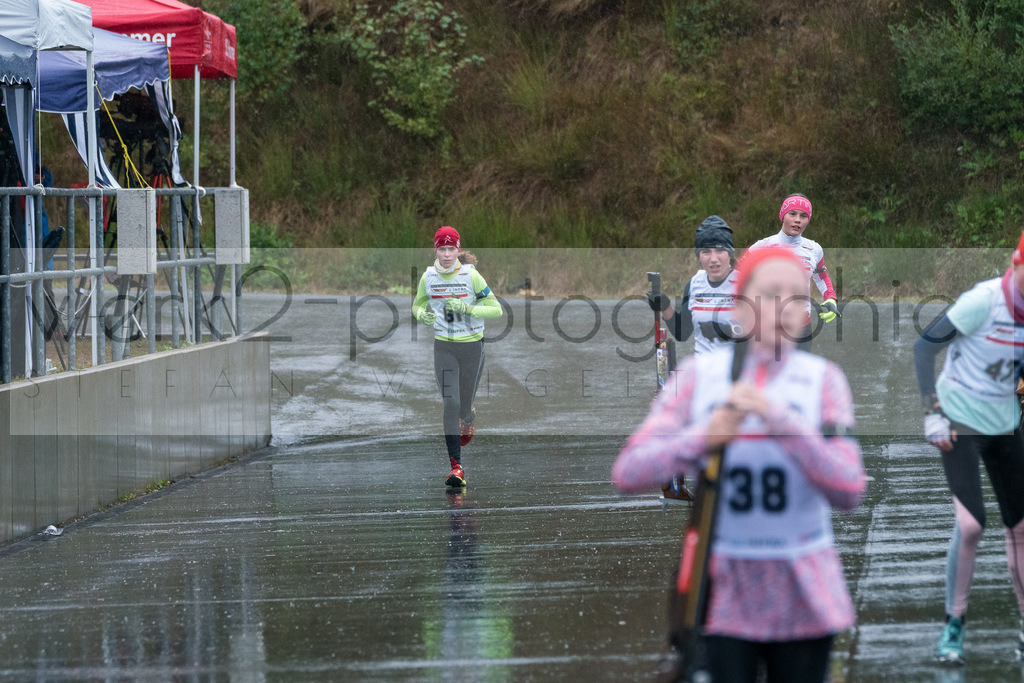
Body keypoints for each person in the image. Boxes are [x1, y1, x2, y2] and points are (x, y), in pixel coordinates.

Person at [614, 246, 866, 682]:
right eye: (770, 294)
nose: (784, 307)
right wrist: (703, 438)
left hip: (805, 596)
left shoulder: (824, 381)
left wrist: (786, 425)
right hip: (723, 599)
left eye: (797, 296)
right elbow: (629, 471)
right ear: (741, 305)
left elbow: (849, 489)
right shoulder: (698, 378)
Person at [913, 233, 1024, 665]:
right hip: (957, 417)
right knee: (971, 524)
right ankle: (953, 625)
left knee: (1019, 530)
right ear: (1014, 265)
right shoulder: (983, 301)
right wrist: (932, 412)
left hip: (1004, 423)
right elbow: (924, 348)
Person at [412, 226, 502, 487]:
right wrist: (421, 315)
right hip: (444, 348)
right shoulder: (428, 277)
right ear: (435, 250)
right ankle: (456, 468)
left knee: (463, 407)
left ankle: (469, 417)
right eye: (442, 248)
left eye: (452, 249)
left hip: (473, 346)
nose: (448, 254)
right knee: (450, 403)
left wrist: (467, 307)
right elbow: (417, 304)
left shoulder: (470, 276)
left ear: (459, 250)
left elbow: (496, 309)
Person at [747, 194, 839, 349]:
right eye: (792, 214)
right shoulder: (762, 246)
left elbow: (821, 276)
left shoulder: (814, 249)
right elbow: (738, 279)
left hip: (801, 326)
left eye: (803, 216)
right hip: (768, 325)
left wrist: (830, 298)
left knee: (799, 373)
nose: (798, 220)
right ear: (782, 216)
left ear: (808, 220)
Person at [647, 215, 739, 355]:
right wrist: (664, 306)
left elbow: (761, 334)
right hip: (702, 370)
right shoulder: (694, 284)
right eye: (706, 252)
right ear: (698, 256)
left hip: (736, 372)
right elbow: (682, 333)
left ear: (730, 254)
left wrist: (724, 331)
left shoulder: (745, 282)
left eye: (720, 250)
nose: (713, 259)